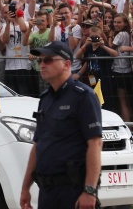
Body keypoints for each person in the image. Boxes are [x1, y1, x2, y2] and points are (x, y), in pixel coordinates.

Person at [20, 41, 102, 209]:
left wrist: (89, 191)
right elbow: (38, 144)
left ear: (66, 64)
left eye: (48, 60)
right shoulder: (45, 99)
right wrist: (25, 187)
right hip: (47, 191)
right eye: (39, 61)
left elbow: (95, 143)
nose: (42, 64)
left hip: (73, 190)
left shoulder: (83, 96)